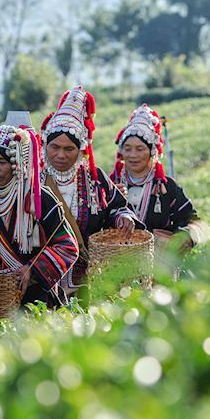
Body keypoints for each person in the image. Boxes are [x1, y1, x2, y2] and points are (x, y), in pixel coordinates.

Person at [0, 111, 79, 308]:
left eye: (2, 162)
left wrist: (33, 268)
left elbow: (68, 247)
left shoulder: (39, 199)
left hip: (34, 299)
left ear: (17, 163)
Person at [40, 86, 137, 296]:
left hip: (87, 279)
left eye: (69, 149)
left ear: (81, 150)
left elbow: (117, 206)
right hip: (41, 279)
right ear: (45, 145)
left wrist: (123, 216)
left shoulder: (94, 178)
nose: (60, 155)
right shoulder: (32, 180)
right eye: (54, 147)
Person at [111, 103, 210, 248]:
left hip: (159, 267)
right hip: (118, 263)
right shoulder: (111, 184)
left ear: (152, 152)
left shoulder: (166, 187)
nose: (133, 155)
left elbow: (194, 222)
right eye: (128, 149)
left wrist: (186, 236)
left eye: (139, 149)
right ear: (121, 152)